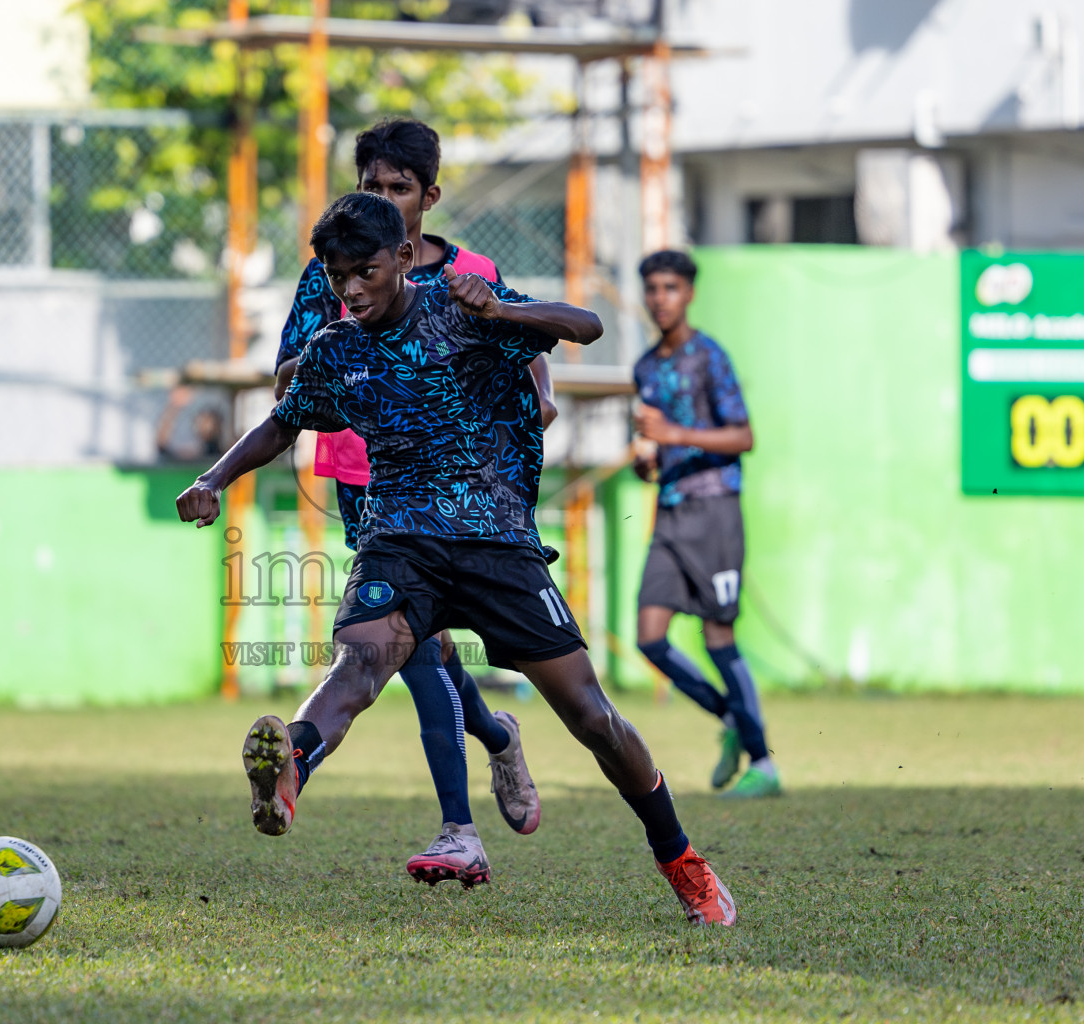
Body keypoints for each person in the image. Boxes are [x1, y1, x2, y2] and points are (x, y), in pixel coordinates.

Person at [179, 194, 736, 925]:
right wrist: (213, 477)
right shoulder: (336, 350)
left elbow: (586, 327)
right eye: (338, 275)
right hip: (400, 545)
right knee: (357, 667)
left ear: (404, 258)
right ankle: (290, 772)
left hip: (496, 542)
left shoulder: (461, 306)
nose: (351, 290)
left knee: (591, 716)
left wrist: (502, 312)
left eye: (366, 272)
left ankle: (682, 860)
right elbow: (282, 425)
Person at [273, 118, 554, 880]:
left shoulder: (471, 271)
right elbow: (289, 372)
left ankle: (457, 825)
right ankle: (493, 738)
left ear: (428, 196)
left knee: (418, 652)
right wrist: (327, 371)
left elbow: (528, 350)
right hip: (367, 476)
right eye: (373, 187)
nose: (387, 201)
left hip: (465, 490)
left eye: (400, 189)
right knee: (416, 651)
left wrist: (539, 399)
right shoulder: (331, 266)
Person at [631, 249, 780, 799]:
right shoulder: (645, 367)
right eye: (652, 288)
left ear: (689, 293)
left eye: (670, 287)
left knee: (719, 636)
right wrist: (648, 459)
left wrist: (674, 436)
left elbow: (743, 437)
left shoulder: (708, 357)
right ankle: (733, 721)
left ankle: (763, 763)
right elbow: (656, 444)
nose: (659, 298)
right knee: (650, 639)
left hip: (715, 509)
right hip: (670, 512)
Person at [155, 387, 227, 463]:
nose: (204, 425)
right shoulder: (208, 398)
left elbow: (161, 442)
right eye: (205, 421)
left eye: (208, 430)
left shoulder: (196, 446)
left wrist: (174, 407)